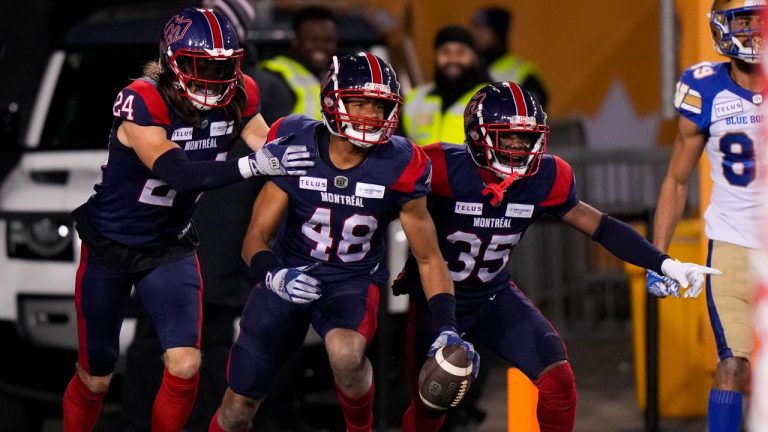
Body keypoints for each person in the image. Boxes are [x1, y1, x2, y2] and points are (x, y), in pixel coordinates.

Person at [393, 82, 721, 432]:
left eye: (526, 138)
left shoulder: (546, 177)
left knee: (558, 382)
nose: (519, 148)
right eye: (508, 138)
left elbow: (601, 226)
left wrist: (663, 262)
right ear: (478, 134)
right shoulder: (439, 165)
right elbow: (379, 206)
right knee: (432, 406)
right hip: (435, 300)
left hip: (493, 295)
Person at [61, 7, 314, 432]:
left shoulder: (240, 93)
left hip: (169, 245)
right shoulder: (143, 99)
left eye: (222, 67)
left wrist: (314, 166)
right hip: (110, 245)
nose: (214, 80)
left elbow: (265, 142)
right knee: (96, 375)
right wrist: (255, 166)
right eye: (201, 67)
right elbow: (176, 172)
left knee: (185, 364)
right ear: (171, 62)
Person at [208, 52, 478, 432]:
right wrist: (274, 275)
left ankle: (360, 428)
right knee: (237, 409)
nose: (369, 114)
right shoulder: (296, 140)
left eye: (378, 105)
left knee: (346, 355)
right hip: (288, 269)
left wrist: (447, 326)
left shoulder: (402, 162)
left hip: (352, 279)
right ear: (332, 100)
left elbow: (430, 258)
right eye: (359, 102)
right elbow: (255, 238)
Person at [648, 1, 764, 430]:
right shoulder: (705, 89)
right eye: (744, 20)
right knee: (733, 365)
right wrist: (657, 256)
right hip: (731, 245)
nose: (754, 31)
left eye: (760, 19)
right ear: (722, 27)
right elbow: (677, 181)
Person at [402, 25, 489, 146]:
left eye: (460, 52)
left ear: (474, 57)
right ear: (436, 56)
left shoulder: (488, 98)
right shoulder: (415, 98)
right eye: (445, 52)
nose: (453, 59)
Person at [256, 5, 338, 120]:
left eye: (328, 40)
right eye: (313, 40)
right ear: (296, 41)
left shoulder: (335, 75)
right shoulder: (273, 77)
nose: (321, 46)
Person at [470, 6, 548, 110]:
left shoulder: (522, 72)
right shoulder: (469, 67)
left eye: (484, 30)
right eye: (475, 28)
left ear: (498, 34)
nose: (477, 34)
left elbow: (536, 113)